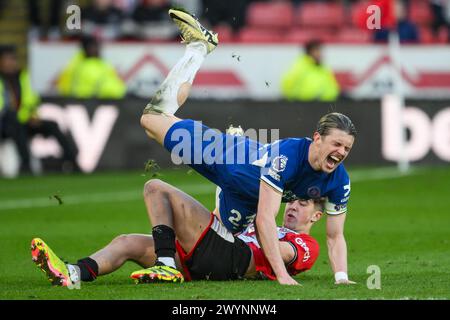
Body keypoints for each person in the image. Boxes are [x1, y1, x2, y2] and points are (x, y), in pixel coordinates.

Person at [138, 9, 357, 285]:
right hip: (225, 155)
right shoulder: (288, 156)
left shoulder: (340, 181)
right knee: (151, 119)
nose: (341, 152)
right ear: (317, 138)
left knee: (221, 241)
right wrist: (282, 276)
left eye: (347, 148)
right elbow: (267, 219)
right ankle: (198, 48)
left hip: (242, 197)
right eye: (337, 143)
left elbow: (335, 235)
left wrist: (342, 278)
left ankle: (169, 264)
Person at [30, 179, 322, 286]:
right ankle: (73, 274)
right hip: (210, 260)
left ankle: (166, 264)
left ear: (317, 215)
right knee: (127, 242)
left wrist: (261, 220)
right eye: (292, 200)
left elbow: (280, 255)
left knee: (155, 187)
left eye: (303, 203)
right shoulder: (266, 221)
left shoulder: (305, 243)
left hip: (234, 259)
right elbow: (218, 222)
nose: (293, 206)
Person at [0, 45, 79, 174]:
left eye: (13, 59)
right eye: (7, 59)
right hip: (4, 123)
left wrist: (33, 115)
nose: (11, 62)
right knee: (15, 124)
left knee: (52, 125)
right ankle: (25, 165)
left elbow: (31, 100)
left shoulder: (22, 76)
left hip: (23, 119)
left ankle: (72, 162)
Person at [56, 35, 126, 99]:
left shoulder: (72, 65)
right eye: (96, 46)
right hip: (92, 106)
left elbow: (62, 88)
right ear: (90, 49)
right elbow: (114, 91)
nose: (99, 50)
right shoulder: (93, 67)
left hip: (72, 105)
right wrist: (119, 82)